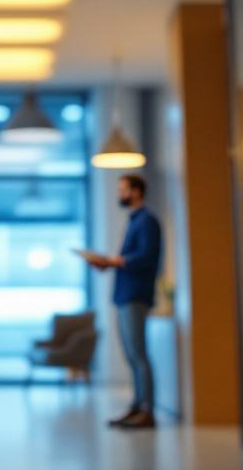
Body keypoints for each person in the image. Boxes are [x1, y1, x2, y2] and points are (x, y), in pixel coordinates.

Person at [85, 173, 162, 429]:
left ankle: (147, 410)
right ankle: (137, 405)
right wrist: (108, 264)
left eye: (123, 189)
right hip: (124, 293)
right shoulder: (134, 221)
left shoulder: (147, 221)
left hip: (136, 295)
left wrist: (116, 261)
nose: (120, 194)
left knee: (139, 354)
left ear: (136, 191)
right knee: (131, 355)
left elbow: (147, 257)